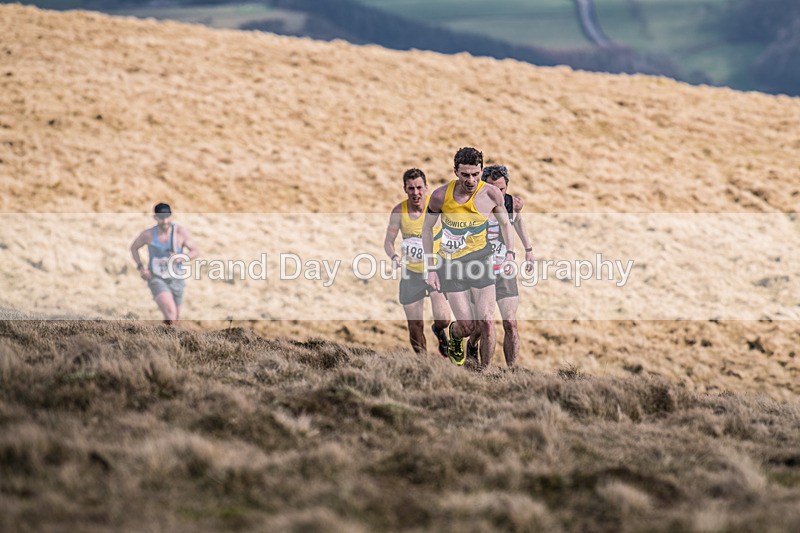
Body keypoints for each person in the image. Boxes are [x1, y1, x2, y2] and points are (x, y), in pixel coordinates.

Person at [422, 147, 515, 368]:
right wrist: (431, 268)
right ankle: (455, 336)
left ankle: (485, 373)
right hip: (451, 265)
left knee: (486, 321)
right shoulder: (439, 196)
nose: (471, 180)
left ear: (482, 170)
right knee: (467, 327)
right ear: (456, 171)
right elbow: (426, 230)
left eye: (476, 174)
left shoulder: (491, 194)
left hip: (481, 261)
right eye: (465, 175)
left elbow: (505, 224)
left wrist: (511, 253)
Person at [466, 165, 535, 367]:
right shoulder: (470, 205)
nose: (496, 194)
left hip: (504, 269)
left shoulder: (513, 203)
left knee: (510, 322)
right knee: (481, 324)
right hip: (478, 271)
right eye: (491, 189)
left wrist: (528, 250)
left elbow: (518, 221)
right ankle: (472, 345)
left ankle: (510, 372)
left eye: (501, 190)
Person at [384, 168, 452, 356]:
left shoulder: (437, 207)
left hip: (435, 270)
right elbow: (388, 242)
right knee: (414, 326)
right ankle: (423, 364)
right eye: (411, 188)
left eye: (419, 188)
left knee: (444, 319)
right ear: (405, 189)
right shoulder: (399, 211)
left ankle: (439, 331)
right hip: (411, 272)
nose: (416, 193)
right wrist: (395, 257)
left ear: (426, 187)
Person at [130, 203, 199, 325]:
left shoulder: (179, 232)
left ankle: (164, 340)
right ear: (155, 218)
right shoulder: (149, 234)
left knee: (175, 319)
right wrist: (141, 268)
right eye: (161, 218)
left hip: (177, 279)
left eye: (167, 217)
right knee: (171, 314)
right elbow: (134, 247)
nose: (165, 221)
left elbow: (195, 251)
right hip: (157, 278)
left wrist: (182, 257)